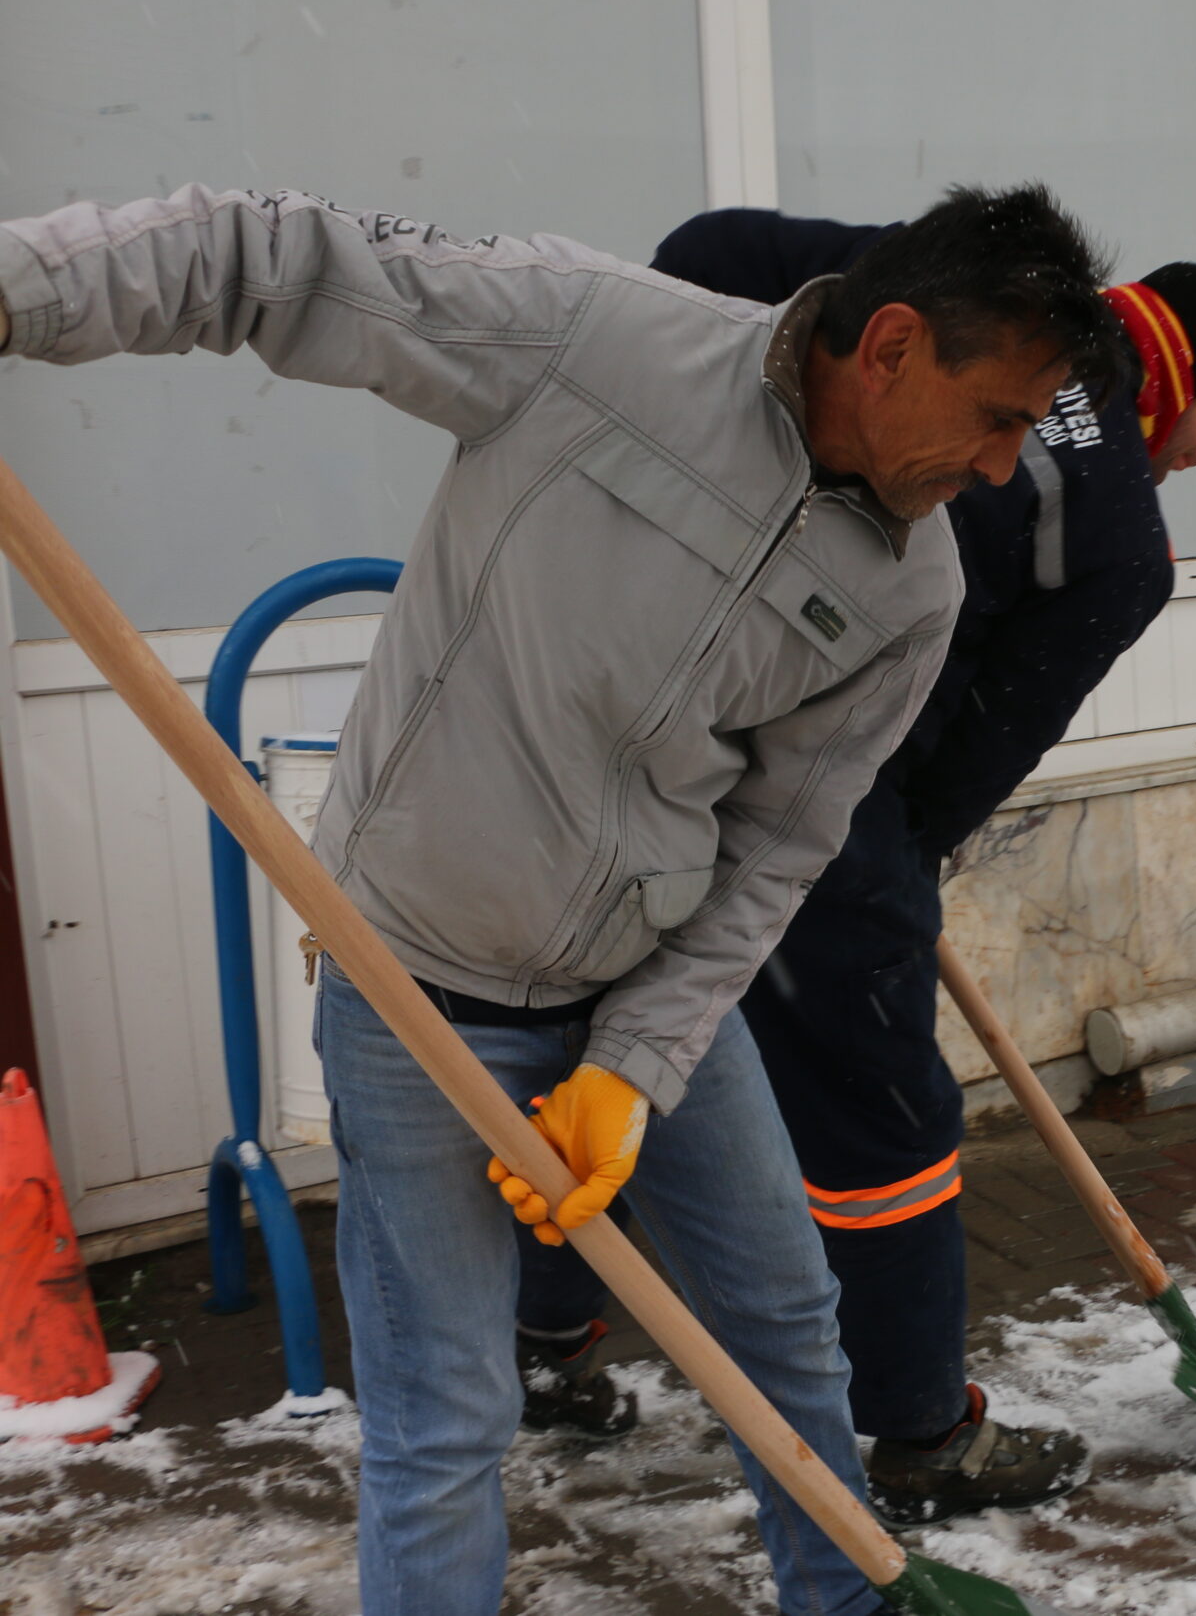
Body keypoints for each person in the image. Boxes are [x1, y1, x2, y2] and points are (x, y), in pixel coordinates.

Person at [0, 182, 1125, 1616]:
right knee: (445, 1420)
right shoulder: (598, 338)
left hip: (641, 983)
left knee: (788, 1336)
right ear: (892, 342)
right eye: (999, 416)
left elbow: (778, 847)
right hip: (415, 984)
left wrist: (635, 1061)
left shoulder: (912, 591)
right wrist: (15, 292)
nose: (999, 465)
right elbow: (276, 257)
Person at [511, 208, 1196, 1529]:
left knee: (612, 1061)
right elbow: (980, 749)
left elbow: (715, 247)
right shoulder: (1121, 547)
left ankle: (546, 1348)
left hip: (642, 722)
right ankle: (924, 1433)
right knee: (886, 1121)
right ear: (1190, 380)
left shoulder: (957, 297)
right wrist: (874, 874)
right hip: (830, 792)